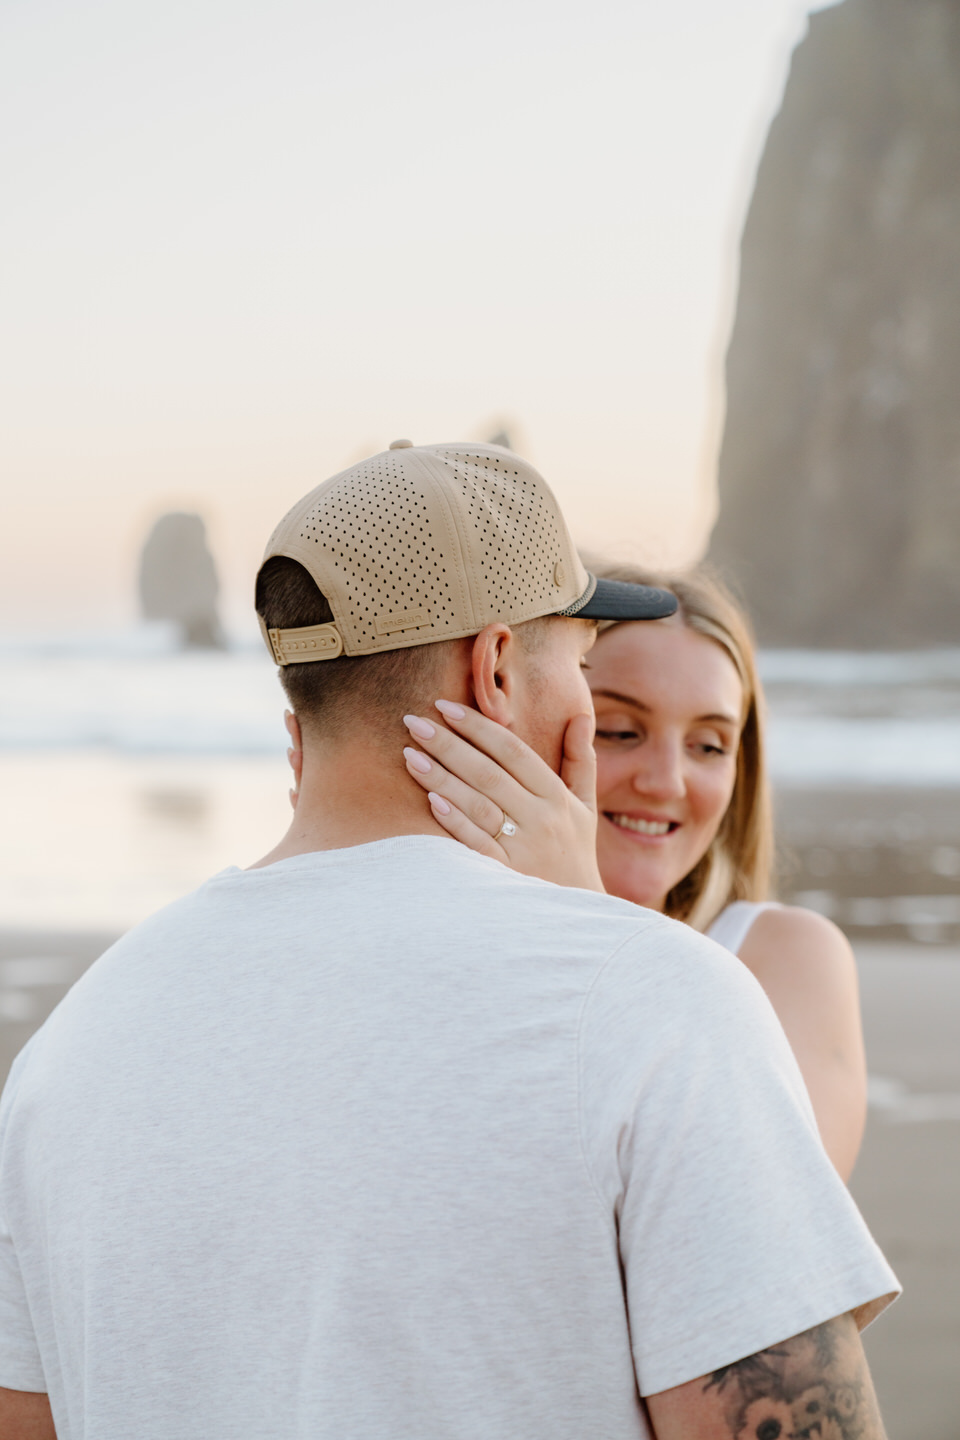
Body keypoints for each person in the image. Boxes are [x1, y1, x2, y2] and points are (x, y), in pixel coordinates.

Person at [0, 443, 896, 1439]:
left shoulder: (68, 1053)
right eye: (584, 663)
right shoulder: (661, 1007)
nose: (591, 708)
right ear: (498, 669)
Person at [395, 564, 867, 1179]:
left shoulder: (785, 958)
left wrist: (582, 916)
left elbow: (764, 1225)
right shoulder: (438, 951)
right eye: (619, 731)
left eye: (709, 745)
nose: (666, 781)